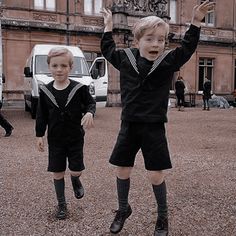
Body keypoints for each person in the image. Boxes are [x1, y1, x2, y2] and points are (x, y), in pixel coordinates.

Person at [101, 1, 215, 235]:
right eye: (149, 39)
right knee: (122, 170)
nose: (156, 44)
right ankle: (123, 209)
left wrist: (195, 22)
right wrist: (108, 27)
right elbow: (108, 50)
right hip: (129, 125)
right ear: (137, 41)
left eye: (161, 40)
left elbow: (186, 48)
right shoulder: (126, 58)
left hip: (153, 127)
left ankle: (162, 216)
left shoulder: (167, 62)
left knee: (155, 175)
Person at [35, 47, 96, 220]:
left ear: (70, 67)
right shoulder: (45, 91)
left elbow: (90, 103)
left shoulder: (79, 89)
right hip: (55, 139)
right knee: (57, 172)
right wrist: (39, 135)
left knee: (75, 169)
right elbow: (41, 116)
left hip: (75, 138)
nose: (59, 69)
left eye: (63, 65)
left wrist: (90, 112)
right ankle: (62, 205)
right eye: (55, 65)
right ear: (49, 67)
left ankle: (76, 180)